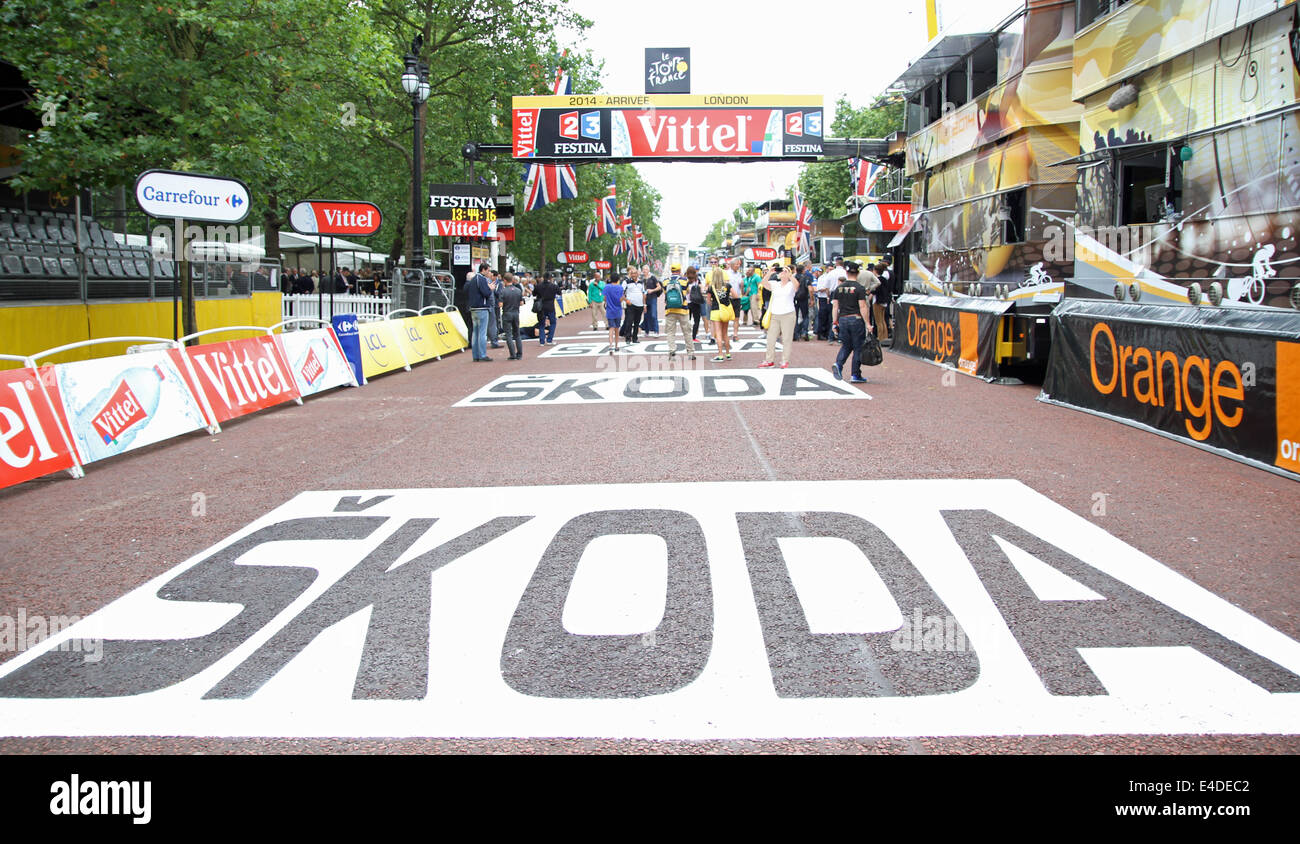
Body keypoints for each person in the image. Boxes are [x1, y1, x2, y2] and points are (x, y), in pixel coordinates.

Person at [830, 261, 870, 383]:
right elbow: (863, 306)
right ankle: (855, 374)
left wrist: (834, 322)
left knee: (846, 345)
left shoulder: (839, 288)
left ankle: (839, 363)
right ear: (857, 273)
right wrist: (868, 323)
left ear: (846, 272)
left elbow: (835, 307)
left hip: (842, 319)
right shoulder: (859, 288)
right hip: (856, 318)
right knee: (858, 346)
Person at [758, 265, 798, 369]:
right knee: (771, 338)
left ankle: (785, 361)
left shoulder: (790, 285)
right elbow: (763, 283)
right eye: (781, 271)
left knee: (787, 339)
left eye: (784, 271)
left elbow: (797, 286)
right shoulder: (775, 284)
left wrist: (790, 275)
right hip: (775, 314)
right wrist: (770, 272)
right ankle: (769, 360)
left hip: (788, 314)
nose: (782, 273)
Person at [661, 264, 695, 360]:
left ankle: (672, 352)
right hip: (683, 310)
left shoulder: (665, 281)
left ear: (671, 270)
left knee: (671, 332)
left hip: (670, 310)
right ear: (679, 270)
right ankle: (690, 353)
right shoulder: (685, 280)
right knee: (687, 332)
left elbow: (665, 293)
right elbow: (687, 292)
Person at [463, 264, 495, 362]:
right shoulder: (481, 279)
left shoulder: (473, 279)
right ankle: (482, 355)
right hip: (482, 308)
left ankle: (475, 355)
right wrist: (491, 289)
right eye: (488, 270)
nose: (489, 273)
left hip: (473, 308)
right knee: (482, 333)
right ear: (484, 270)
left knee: (475, 332)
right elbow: (486, 293)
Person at [706, 265, 734, 361]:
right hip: (725, 310)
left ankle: (720, 354)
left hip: (715, 310)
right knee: (725, 333)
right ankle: (728, 354)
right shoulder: (728, 286)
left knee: (718, 333)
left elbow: (708, 301)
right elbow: (736, 295)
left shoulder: (711, 287)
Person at [498, 272, 524, 360]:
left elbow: (500, 304)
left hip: (507, 313)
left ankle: (512, 354)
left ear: (504, 280)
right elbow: (521, 303)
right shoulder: (518, 290)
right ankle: (519, 354)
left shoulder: (503, 291)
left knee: (508, 334)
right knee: (517, 334)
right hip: (516, 313)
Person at [533, 271, 559, 344]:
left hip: (541, 307)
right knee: (553, 322)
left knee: (541, 323)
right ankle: (549, 339)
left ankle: (542, 341)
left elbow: (534, 293)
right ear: (551, 278)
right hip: (550, 306)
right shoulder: (554, 286)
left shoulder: (538, 286)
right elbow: (559, 293)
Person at [603, 274, 625, 354]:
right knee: (617, 329)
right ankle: (616, 346)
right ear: (618, 279)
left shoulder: (607, 287)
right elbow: (621, 299)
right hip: (618, 310)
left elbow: (604, 298)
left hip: (609, 310)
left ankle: (610, 346)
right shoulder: (620, 287)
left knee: (611, 328)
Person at [622, 269, 645, 345]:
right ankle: (628, 338)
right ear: (630, 274)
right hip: (631, 305)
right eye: (632, 273)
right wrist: (626, 300)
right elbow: (621, 292)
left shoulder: (641, 282)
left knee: (637, 322)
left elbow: (644, 293)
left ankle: (635, 338)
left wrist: (644, 305)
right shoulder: (626, 282)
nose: (634, 275)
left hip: (640, 305)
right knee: (629, 321)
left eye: (635, 273)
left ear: (638, 274)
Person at [687, 266, 706, 342]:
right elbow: (702, 289)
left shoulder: (685, 280)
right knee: (696, 321)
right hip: (696, 302)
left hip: (687, 303)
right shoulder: (697, 280)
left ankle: (687, 336)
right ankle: (693, 337)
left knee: (687, 321)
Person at [794, 262, 812, 340]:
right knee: (805, 316)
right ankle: (805, 332)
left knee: (795, 316)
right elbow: (810, 289)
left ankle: (795, 334)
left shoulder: (793, 278)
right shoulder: (806, 277)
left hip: (795, 298)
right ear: (803, 270)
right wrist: (812, 299)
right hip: (804, 298)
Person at [641, 264, 661, 336]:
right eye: (643, 269)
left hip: (653, 298)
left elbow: (659, 287)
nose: (644, 271)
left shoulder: (653, 278)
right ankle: (647, 331)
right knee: (646, 315)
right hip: (645, 298)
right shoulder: (642, 280)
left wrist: (652, 290)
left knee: (653, 315)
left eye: (646, 269)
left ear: (648, 270)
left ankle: (656, 331)